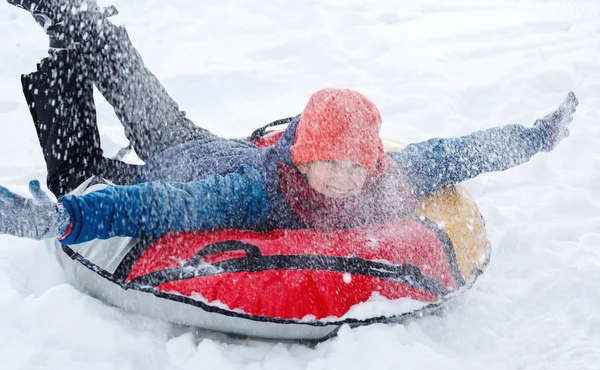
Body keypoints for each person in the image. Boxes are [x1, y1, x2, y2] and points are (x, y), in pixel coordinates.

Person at [0, 0, 578, 245]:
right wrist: (65, 219)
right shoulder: (264, 193)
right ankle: (74, 22)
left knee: (153, 111)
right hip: (180, 172)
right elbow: (160, 208)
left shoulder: (388, 181)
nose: (346, 177)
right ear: (303, 155)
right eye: (331, 161)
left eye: (357, 164)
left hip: (208, 146)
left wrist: (535, 137)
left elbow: (458, 153)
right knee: (82, 168)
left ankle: (69, 46)